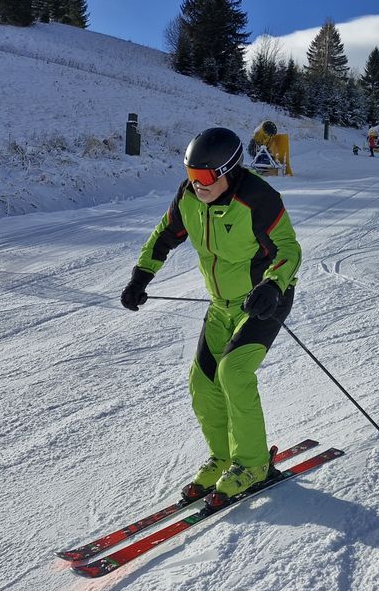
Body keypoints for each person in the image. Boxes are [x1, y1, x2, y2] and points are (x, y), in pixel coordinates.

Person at [119, 127, 302, 506]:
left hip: (264, 300)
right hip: (221, 304)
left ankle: (253, 465)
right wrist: (141, 276)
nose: (196, 184)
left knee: (233, 372)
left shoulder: (259, 199)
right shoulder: (189, 197)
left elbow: (288, 248)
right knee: (202, 384)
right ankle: (224, 458)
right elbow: (164, 235)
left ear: (228, 172)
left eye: (203, 177)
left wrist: (272, 285)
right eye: (190, 175)